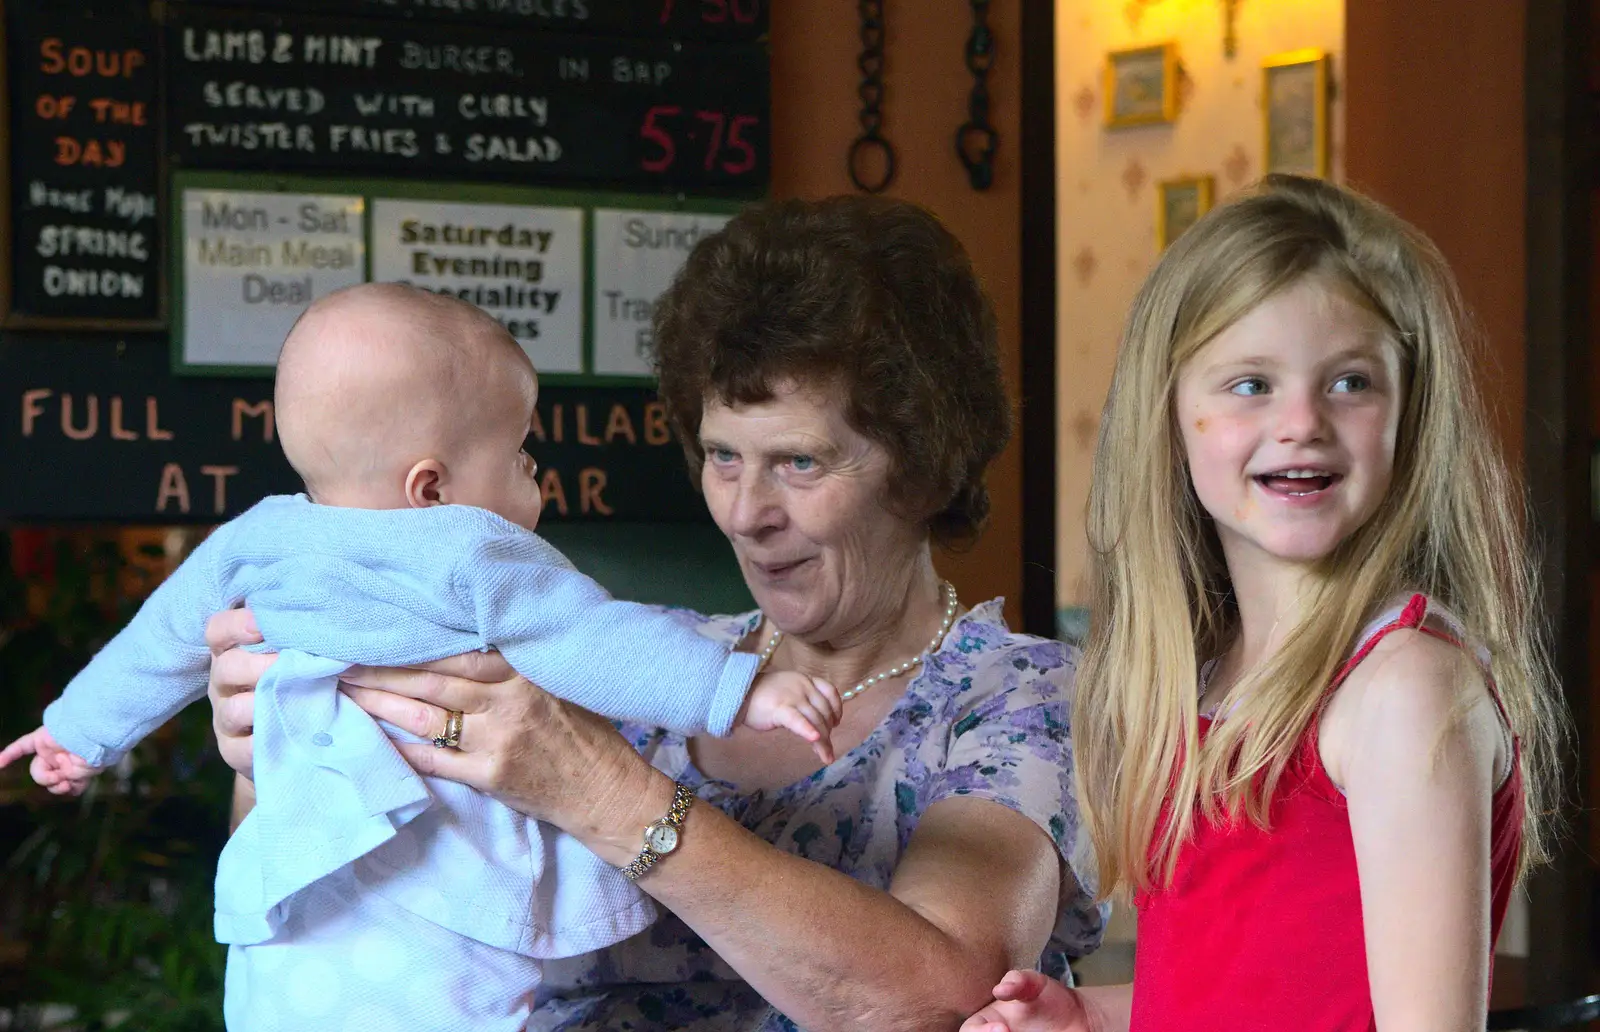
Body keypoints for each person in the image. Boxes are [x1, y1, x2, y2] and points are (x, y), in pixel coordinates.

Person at [204, 195, 1109, 1031]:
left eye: (797, 462)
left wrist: (603, 792)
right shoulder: (627, 654)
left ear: (921, 463)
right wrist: (271, 747)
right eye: (722, 456)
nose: (746, 510)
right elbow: (343, 899)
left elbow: (937, 995)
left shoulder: (1017, 695)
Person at [0, 283, 842, 1032]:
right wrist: (739, 687)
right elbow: (601, 642)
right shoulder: (472, 551)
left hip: (298, 873)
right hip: (449, 878)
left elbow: (162, 641)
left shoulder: (255, 536)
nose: (534, 473)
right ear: (432, 488)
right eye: (519, 453)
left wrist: (77, 731)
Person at [962, 174, 1566, 1032]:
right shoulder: (1214, 675)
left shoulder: (1402, 690)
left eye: (1350, 382)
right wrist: (1094, 1018)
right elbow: (1268, 992)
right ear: (1168, 415)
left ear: (1412, 410)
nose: (1302, 422)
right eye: (1250, 384)